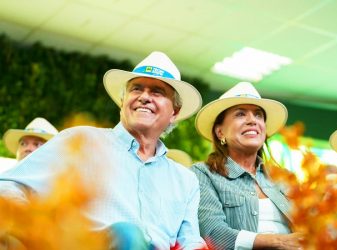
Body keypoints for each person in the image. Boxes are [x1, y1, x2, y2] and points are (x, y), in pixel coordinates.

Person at [0, 51, 206, 249]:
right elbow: (9, 185)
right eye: (136, 89)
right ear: (123, 102)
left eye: (156, 92)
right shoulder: (82, 142)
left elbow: (190, 242)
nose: (144, 97)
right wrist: (35, 230)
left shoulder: (185, 180)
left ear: (174, 112)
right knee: (128, 234)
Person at [191, 82, 303, 249]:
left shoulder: (284, 177)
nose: (252, 120)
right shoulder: (202, 174)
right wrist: (280, 241)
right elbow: (213, 234)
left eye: (258, 115)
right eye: (240, 114)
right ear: (220, 132)